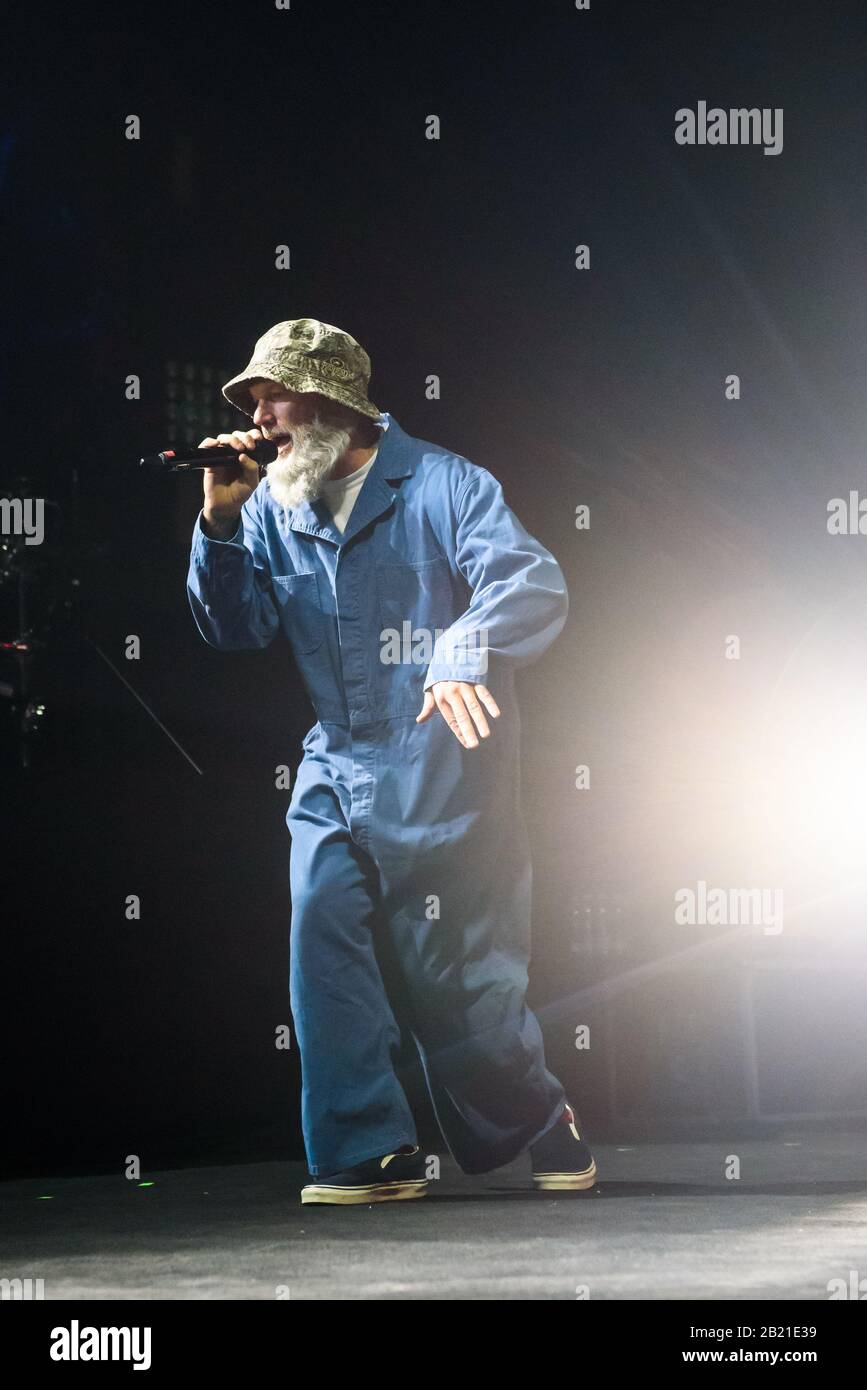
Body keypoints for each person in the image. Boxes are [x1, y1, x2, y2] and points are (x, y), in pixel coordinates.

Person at [186, 317, 597, 1204]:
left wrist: (462, 643)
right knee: (319, 933)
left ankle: (536, 1114)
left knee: (460, 986)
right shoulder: (269, 506)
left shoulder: (444, 484)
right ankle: (370, 1150)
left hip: (447, 767)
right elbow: (235, 629)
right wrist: (218, 523)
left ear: (335, 400)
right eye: (251, 398)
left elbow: (530, 580)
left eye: (272, 393)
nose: (258, 414)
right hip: (336, 766)